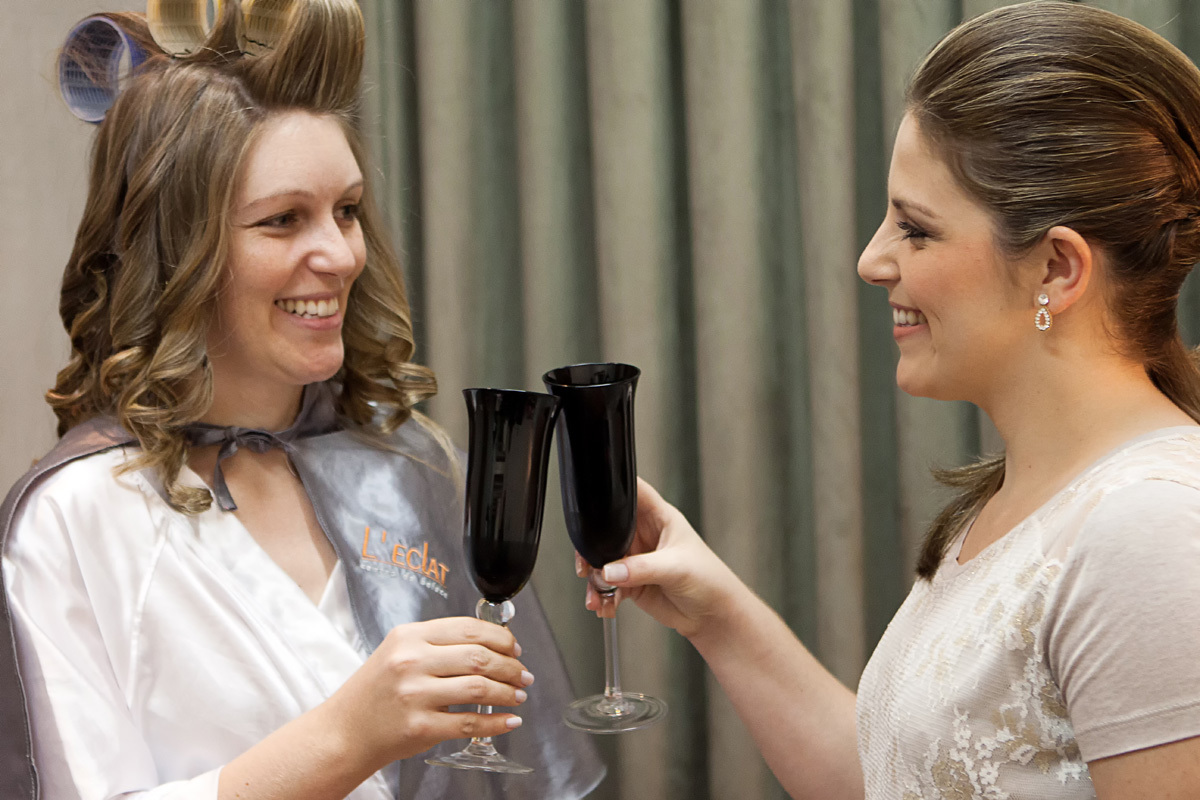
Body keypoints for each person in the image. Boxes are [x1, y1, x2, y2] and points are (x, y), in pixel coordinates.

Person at [583, 3, 1200, 798]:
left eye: (916, 229)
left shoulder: (1147, 532)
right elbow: (897, 778)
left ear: (1056, 269)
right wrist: (714, 612)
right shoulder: (1023, 501)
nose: (872, 260)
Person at [0, 2, 602, 799]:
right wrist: (345, 737)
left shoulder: (407, 466)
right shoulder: (77, 517)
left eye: (347, 210)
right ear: (176, 253)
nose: (341, 254)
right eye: (283, 220)